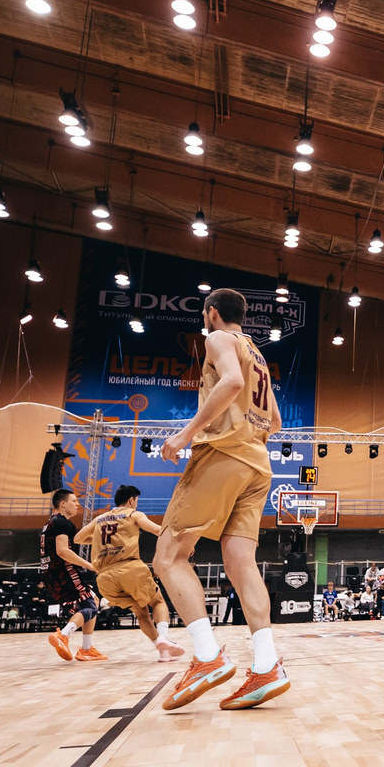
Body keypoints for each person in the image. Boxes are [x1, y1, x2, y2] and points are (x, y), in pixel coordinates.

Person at [152, 288, 289, 711]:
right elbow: (276, 421)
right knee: (241, 563)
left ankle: (208, 656)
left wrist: (186, 434)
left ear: (212, 313)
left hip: (223, 456)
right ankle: (266, 665)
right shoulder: (257, 354)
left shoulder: (217, 338)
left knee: (168, 557)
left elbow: (231, 382)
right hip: (258, 464)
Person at [76, 485, 184, 661]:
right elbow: (157, 530)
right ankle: (164, 637)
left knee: (141, 612)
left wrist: (100, 541)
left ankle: (163, 651)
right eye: (136, 501)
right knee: (158, 602)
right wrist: (181, 542)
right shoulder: (134, 514)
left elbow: (78, 538)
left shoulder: (99, 519)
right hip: (129, 568)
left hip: (104, 578)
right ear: (131, 500)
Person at [40, 490, 103, 660]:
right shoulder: (63, 523)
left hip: (50, 574)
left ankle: (86, 648)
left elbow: (75, 541)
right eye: (74, 501)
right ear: (62, 504)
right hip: (64, 573)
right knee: (91, 606)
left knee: (93, 600)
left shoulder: (50, 523)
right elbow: (62, 551)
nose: (77, 504)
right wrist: (90, 565)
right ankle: (64, 635)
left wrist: (102, 539)